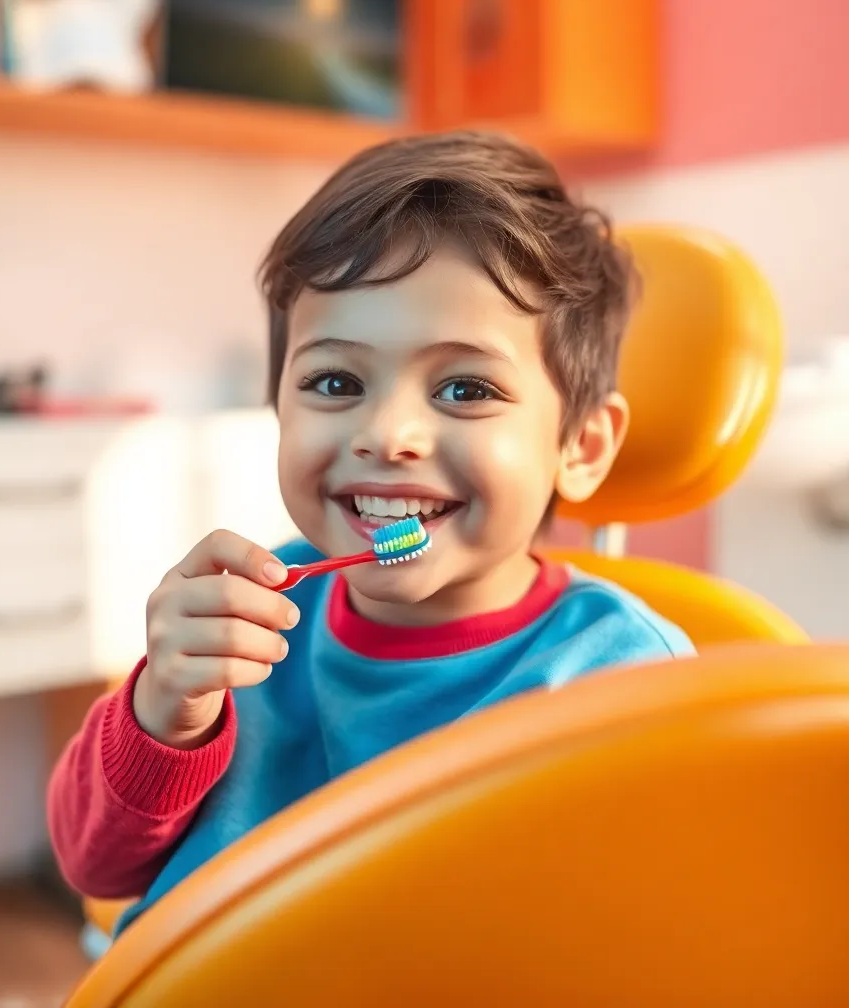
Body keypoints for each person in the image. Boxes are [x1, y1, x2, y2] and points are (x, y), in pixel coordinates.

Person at [48, 131, 694, 935]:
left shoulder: (627, 685)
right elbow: (91, 865)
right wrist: (164, 714)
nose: (388, 435)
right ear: (278, 409)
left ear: (581, 445)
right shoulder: (244, 625)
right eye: (336, 381)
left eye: (464, 388)